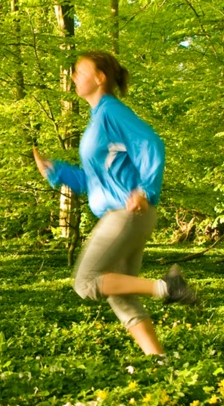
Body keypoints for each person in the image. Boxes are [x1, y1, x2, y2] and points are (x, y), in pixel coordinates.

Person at [33, 50, 198, 356]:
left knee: (86, 282)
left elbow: (150, 143)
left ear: (100, 78)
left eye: (80, 71)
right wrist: (58, 172)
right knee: (120, 292)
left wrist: (145, 189)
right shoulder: (98, 119)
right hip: (127, 212)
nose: (74, 77)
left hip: (128, 212)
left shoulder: (111, 112)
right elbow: (95, 181)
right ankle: (158, 359)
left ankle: (168, 288)